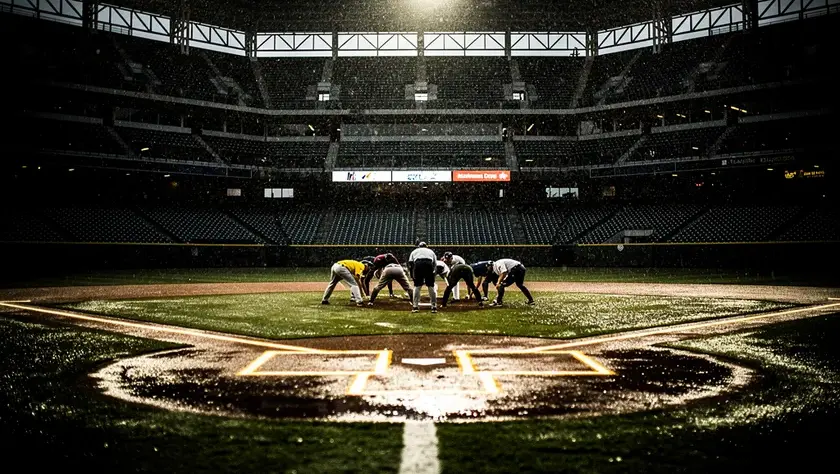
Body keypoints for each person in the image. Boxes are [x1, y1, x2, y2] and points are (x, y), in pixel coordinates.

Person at [408, 242, 437, 313]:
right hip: (428, 264)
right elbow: (434, 264)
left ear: (419, 246)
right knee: (431, 286)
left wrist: (412, 274)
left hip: (418, 264)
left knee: (417, 286)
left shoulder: (414, 251)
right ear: (426, 246)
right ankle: (434, 307)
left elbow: (411, 263)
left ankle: (415, 306)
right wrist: (431, 272)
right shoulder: (431, 251)